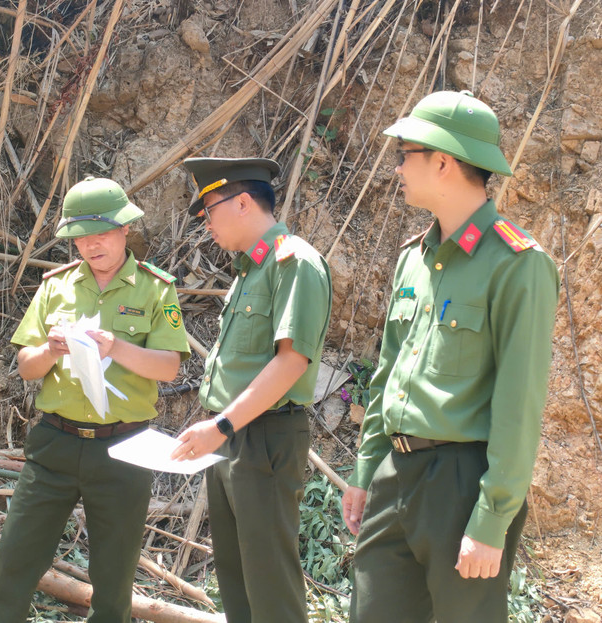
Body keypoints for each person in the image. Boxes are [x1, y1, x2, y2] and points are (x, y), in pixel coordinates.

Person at [341, 90, 560, 622]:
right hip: (395, 471)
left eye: (405, 154)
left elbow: (518, 405)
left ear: (442, 162)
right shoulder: (414, 259)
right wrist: (366, 469)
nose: (397, 168)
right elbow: (389, 374)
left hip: (462, 482)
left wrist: (492, 518)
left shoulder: (517, 264)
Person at [0, 176, 191, 623]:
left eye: (101, 234)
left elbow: (169, 367)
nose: (91, 245)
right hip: (56, 442)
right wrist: (50, 350)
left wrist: (117, 347)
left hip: (124, 448)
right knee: (15, 557)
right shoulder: (56, 286)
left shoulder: (155, 289)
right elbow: (26, 366)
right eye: (81, 237)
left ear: (124, 229)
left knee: (114, 575)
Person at [171, 157, 332, 623]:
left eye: (209, 211)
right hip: (231, 438)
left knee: (269, 584)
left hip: (262, 438)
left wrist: (221, 425)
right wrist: (220, 428)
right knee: (237, 578)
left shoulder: (293, 262)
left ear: (242, 203)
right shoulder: (249, 270)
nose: (206, 224)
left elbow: (291, 362)